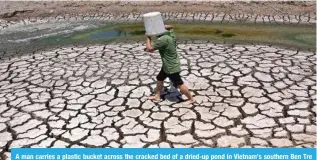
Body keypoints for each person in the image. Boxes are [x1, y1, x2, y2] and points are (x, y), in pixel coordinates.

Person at [145, 25, 195, 104]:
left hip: (170, 67)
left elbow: (149, 49)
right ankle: (157, 96)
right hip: (169, 64)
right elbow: (171, 28)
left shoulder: (162, 40)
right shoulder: (171, 35)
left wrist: (148, 37)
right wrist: (168, 27)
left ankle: (191, 99)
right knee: (159, 78)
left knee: (179, 84)